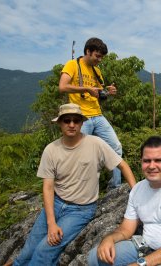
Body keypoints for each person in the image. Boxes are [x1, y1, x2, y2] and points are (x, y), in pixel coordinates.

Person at [5, 103, 136, 266]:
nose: (72, 124)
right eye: (67, 120)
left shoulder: (96, 144)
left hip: (81, 210)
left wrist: (136, 192)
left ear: (82, 123)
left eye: (76, 120)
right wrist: (51, 223)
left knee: (44, 249)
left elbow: (122, 165)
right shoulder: (51, 150)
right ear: (59, 123)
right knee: (28, 251)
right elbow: (47, 187)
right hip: (56, 203)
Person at [88, 136, 161, 266]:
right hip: (146, 247)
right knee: (96, 257)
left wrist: (141, 263)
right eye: (147, 161)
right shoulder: (137, 189)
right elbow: (126, 229)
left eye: (158, 160)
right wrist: (109, 239)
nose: (151, 166)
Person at [59, 37, 123, 189]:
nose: (99, 60)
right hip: (81, 117)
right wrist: (85, 89)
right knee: (80, 155)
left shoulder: (96, 71)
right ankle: (76, 190)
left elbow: (99, 93)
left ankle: (115, 187)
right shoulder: (72, 65)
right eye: (97, 56)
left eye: (101, 57)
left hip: (98, 115)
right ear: (88, 51)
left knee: (116, 147)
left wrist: (108, 91)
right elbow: (62, 87)